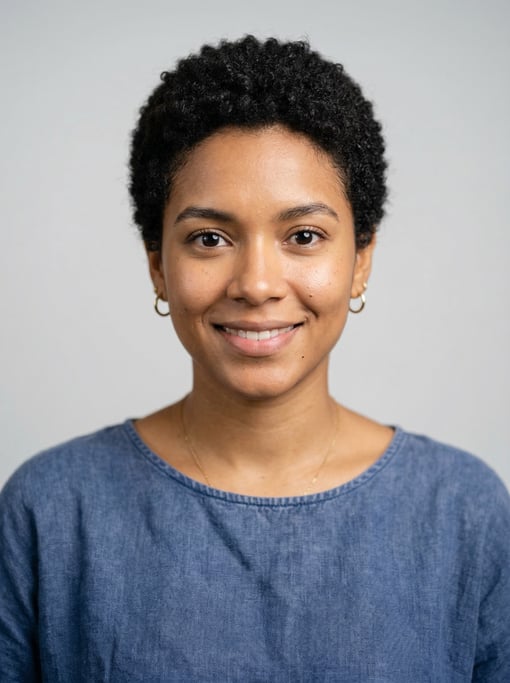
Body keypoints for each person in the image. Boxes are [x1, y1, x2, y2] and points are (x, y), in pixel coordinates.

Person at [1, 35, 509, 683]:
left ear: (361, 260)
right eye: (209, 238)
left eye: (303, 236)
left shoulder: (464, 514)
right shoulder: (51, 511)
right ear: (159, 265)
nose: (257, 283)